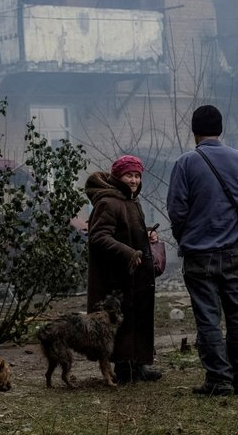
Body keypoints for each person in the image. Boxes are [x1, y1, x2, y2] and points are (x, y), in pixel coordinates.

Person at [167, 105, 238, 397]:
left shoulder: (185, 163)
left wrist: (186, 236)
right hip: (234, 252)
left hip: (198, 255)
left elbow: (176, 210)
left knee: (208, 318)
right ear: (220, 130)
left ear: (194, 131)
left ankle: (219, 380)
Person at [85, 154, 164, 383]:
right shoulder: (108, 202)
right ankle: (124, 370)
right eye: (129, 175)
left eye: (137, 176)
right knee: (120, 322)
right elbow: (98, 237)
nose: (134, 180)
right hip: (116, 277)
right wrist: (129, 253)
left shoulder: (130, 200)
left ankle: (137, 366)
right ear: (118, 176)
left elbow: (125, 230)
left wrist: (147, 233)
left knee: (136, 319)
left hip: (134, 275)